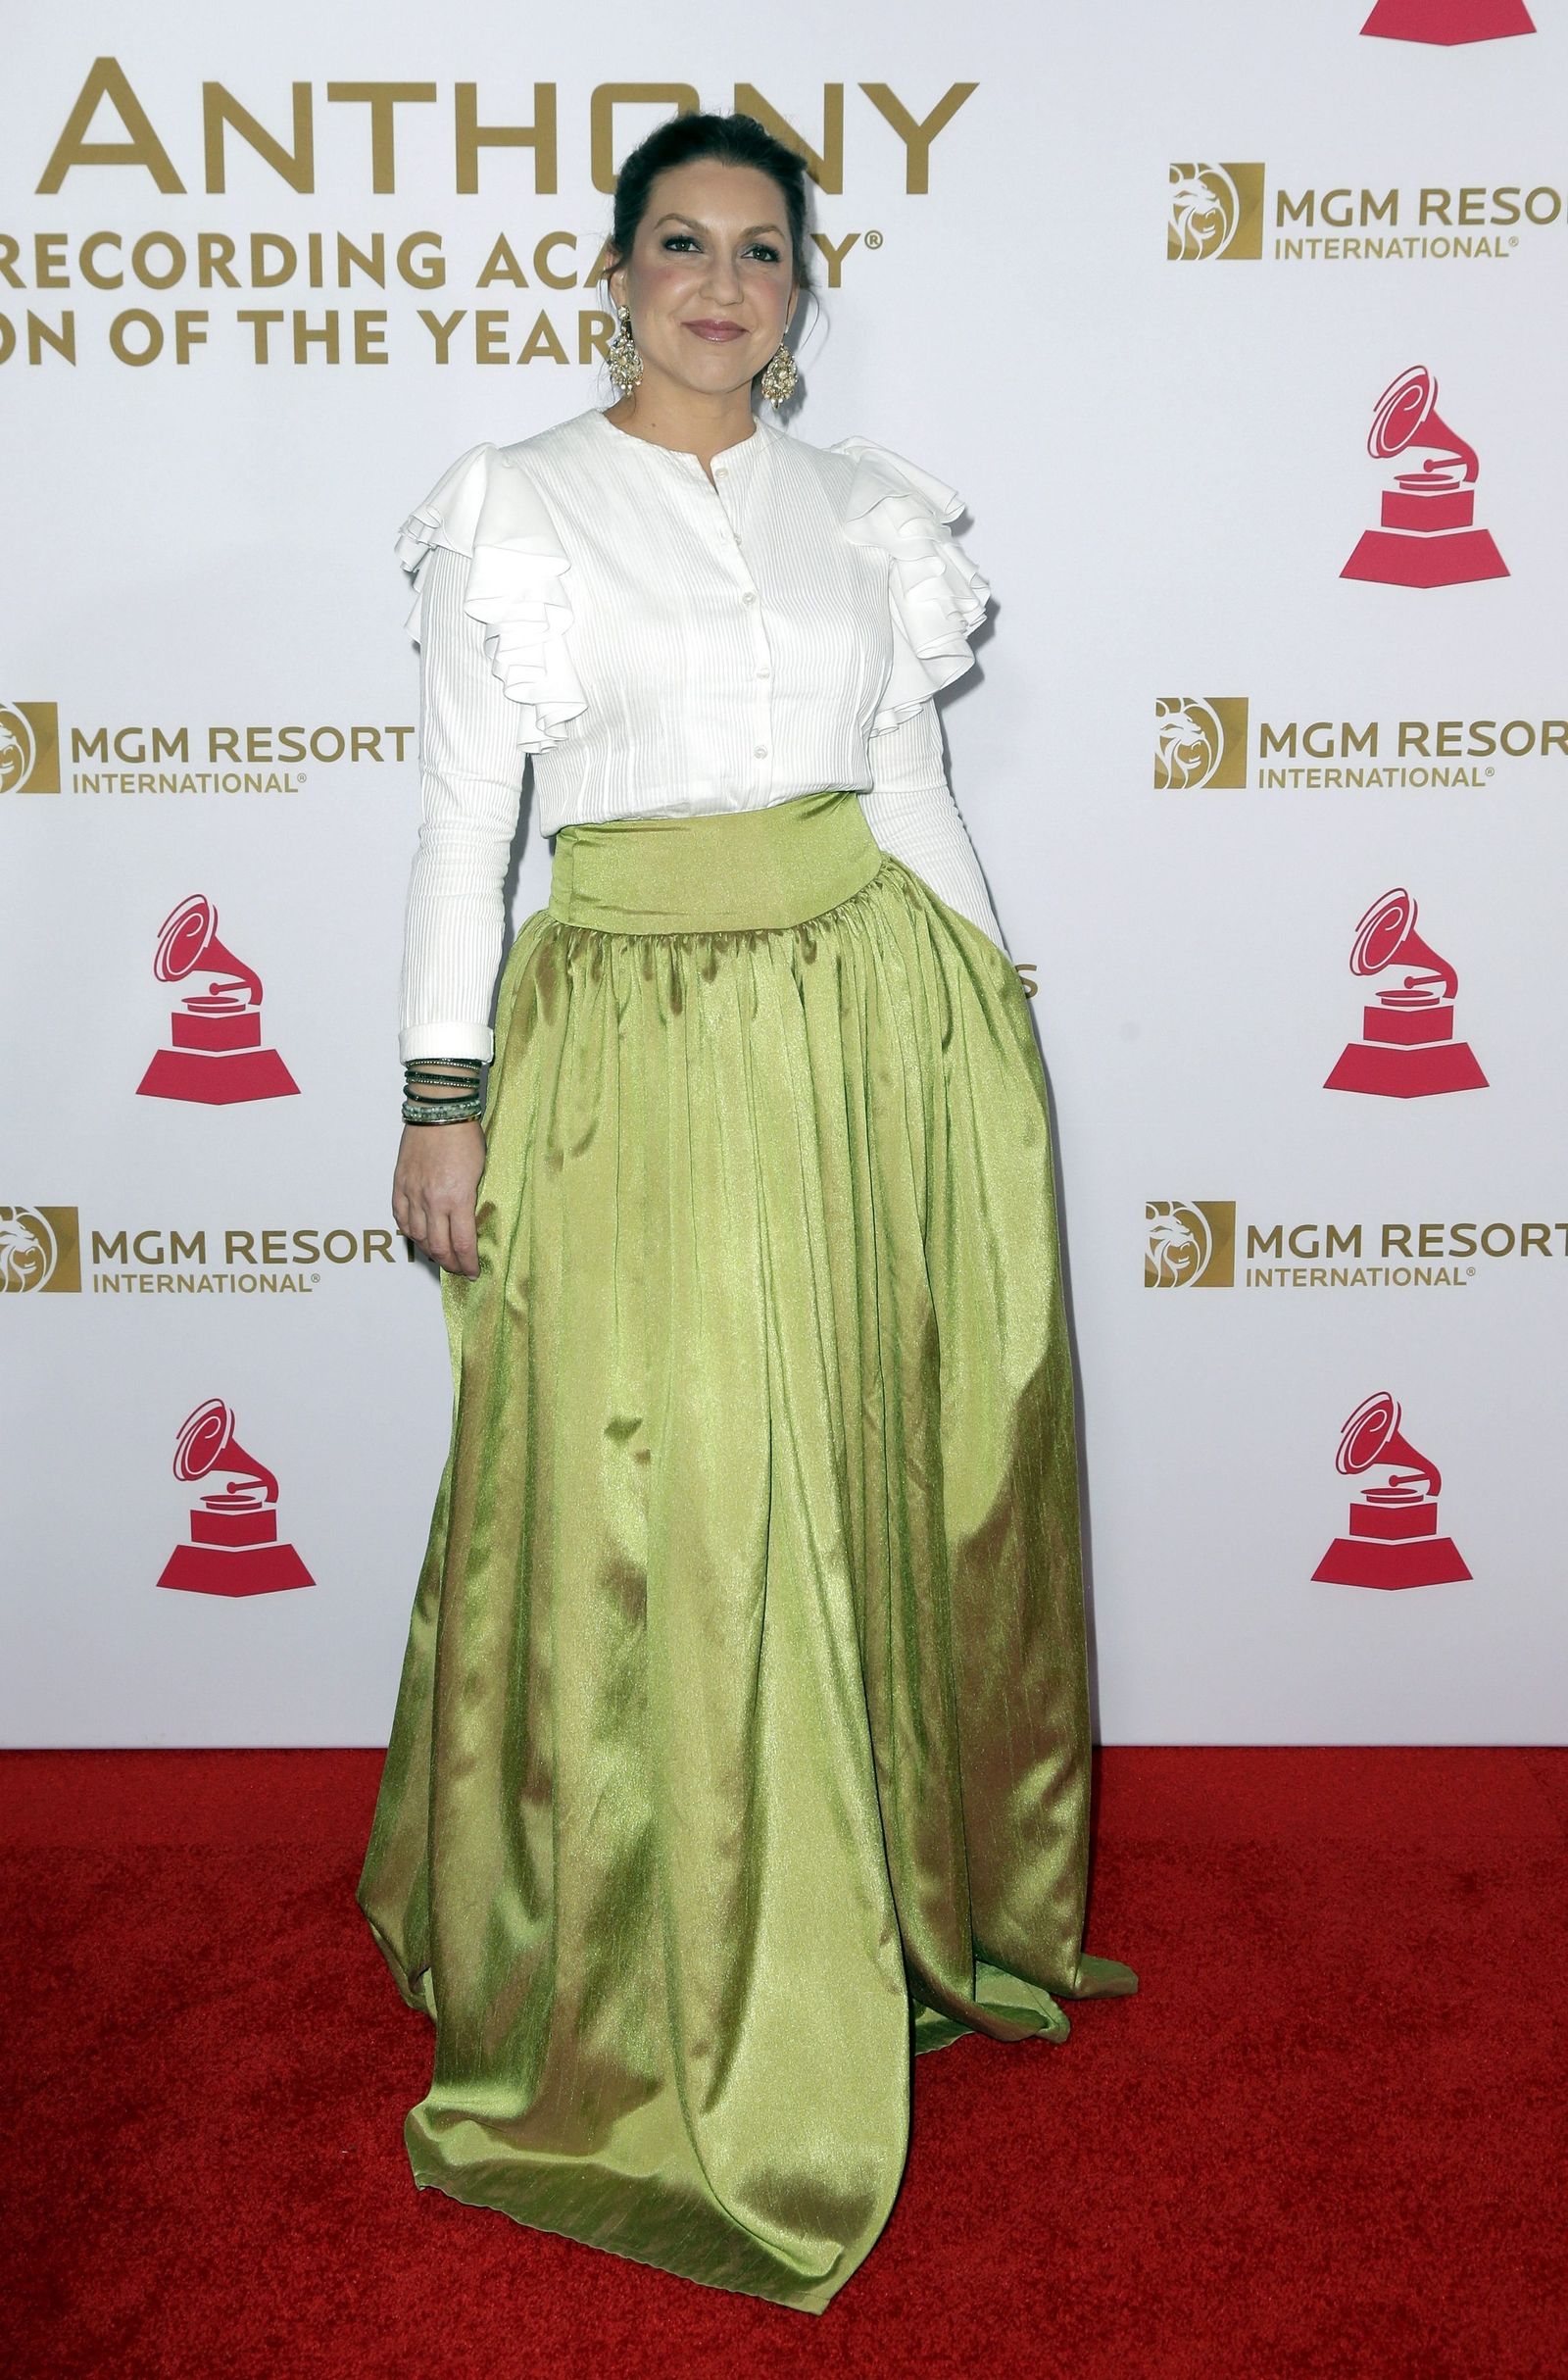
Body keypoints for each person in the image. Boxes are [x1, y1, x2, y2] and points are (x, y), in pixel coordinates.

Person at [357, 107, 1136, 2317]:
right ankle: (646, 1952)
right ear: (613, 276)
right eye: (681, 244)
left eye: (760, 252)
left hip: (859, 1025)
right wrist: (441, 1097)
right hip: (621, 1039)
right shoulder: (514, 503)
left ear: (802, 293)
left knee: (862, 1461)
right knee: (663, 1495)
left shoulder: (861, 511)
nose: (720, 283)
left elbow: (909, 785)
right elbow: (466, 824)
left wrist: (985, 1022)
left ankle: (875, 1898)